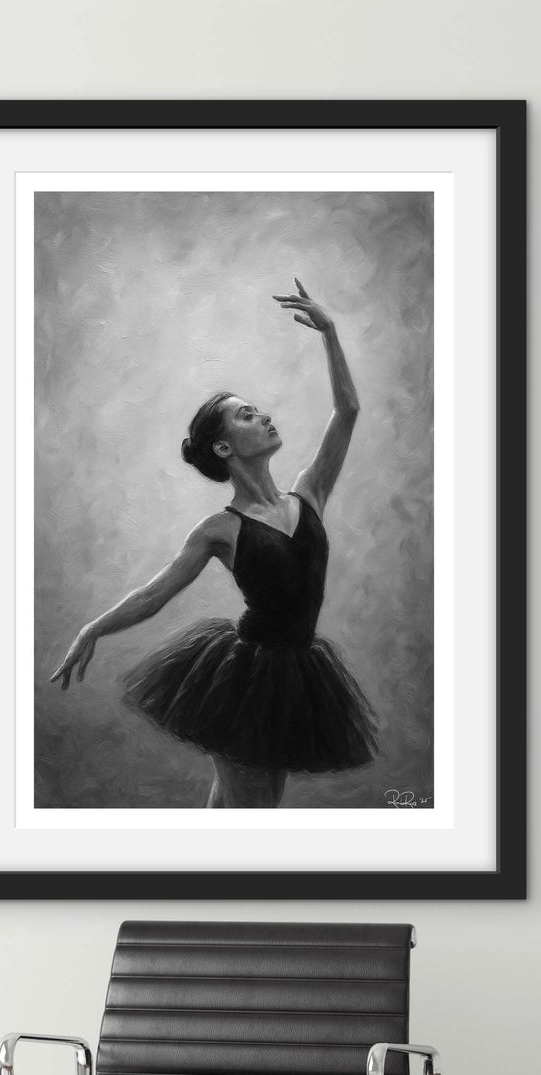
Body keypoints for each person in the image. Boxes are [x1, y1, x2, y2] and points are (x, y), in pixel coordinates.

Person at [51, 279, 378, 808]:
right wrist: (93, 629)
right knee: (250, 812)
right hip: (246, 680)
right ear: (224, 447)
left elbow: (348, 412)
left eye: (259, 410)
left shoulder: (310, 493)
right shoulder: (219, 531)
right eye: (247, 415)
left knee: (235, 808)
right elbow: (153, 595)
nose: (264, 416)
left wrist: (330, 333)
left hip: (296, 678)